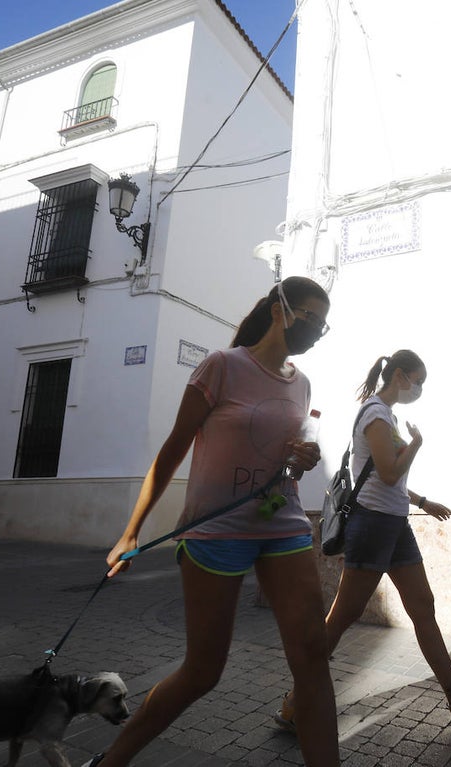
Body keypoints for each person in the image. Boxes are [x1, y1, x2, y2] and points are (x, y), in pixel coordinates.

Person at [82, 276, 339, 767]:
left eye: (322, 326)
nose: (314, 329)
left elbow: (284, 455)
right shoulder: (222, 367)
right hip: (215, 531)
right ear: (279, 309)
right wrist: (131, 532)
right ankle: (113, 760)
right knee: (203, 671)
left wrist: (301, 459)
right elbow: (174, 449)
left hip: (281, 522)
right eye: (310, 317)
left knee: (311, 656)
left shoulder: (301, 384)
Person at [274, 350, 451, 732]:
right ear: (400, 375)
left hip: (395, 525)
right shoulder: (377, 413)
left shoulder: (387, 416)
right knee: (342, 616)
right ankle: (295, 702)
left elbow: (391, 479)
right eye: (418, 380)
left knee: (423, 608)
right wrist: (416, 445)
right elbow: (387, 472)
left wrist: (422, 501)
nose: (420, 388)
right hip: (373, 524)